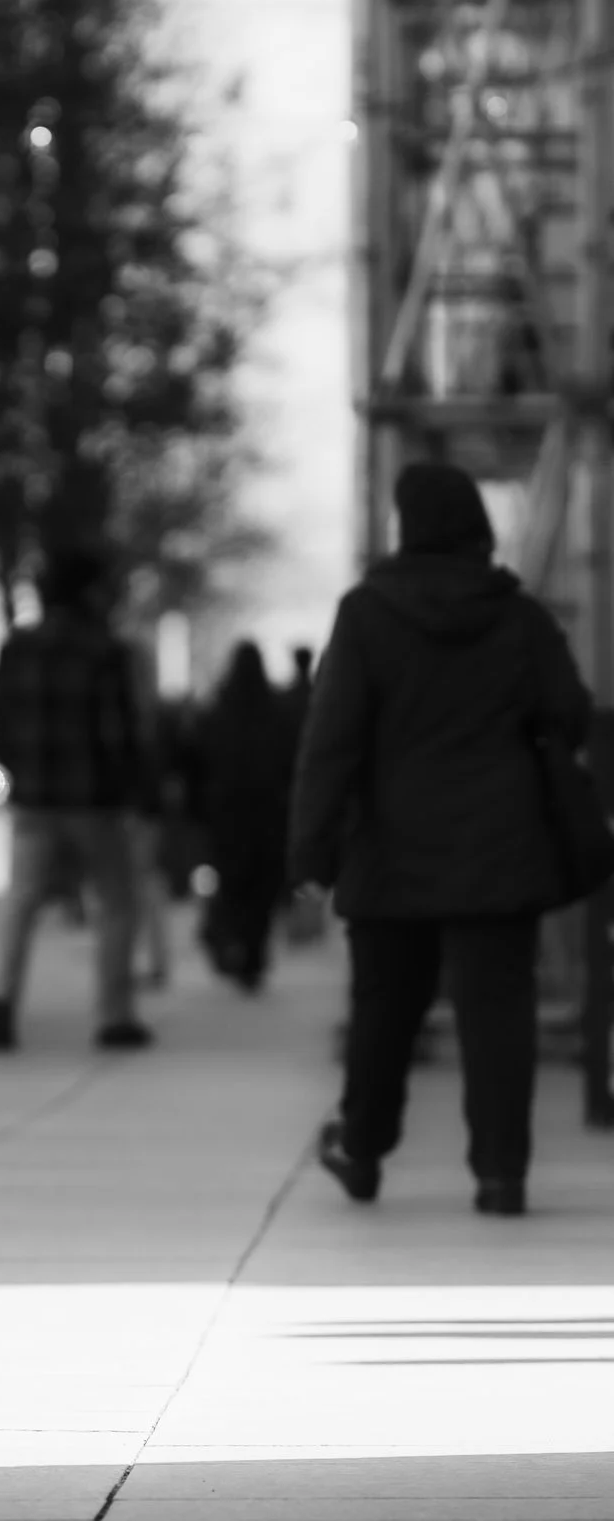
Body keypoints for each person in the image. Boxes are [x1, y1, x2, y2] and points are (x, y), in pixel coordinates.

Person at [293, 462, 593, 1217]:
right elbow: (569, 712)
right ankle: (501, 1175)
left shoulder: (366, 615)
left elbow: (332, 739)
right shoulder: (519, 616)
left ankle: (361, 1150)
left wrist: (312, 852)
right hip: (499, 841)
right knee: (498, 1014)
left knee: (384, 1008)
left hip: (390, 845)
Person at [0, 549, 157, 1052]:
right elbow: (123, 733)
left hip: (35, 798)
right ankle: (114, 1016)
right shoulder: (106, 650)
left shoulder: (18, 646)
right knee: (117, 904)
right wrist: (137, 789)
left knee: (19, 899)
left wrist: (23, 770)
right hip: (97, 800)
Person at [192, 641, 295, 990]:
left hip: (226, 815)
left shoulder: (217, 710)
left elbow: (194, 760)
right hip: (267, 815)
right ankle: (252, 952)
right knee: (260, 888)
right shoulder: (277, 711)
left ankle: (229, 943)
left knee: (233, 885)